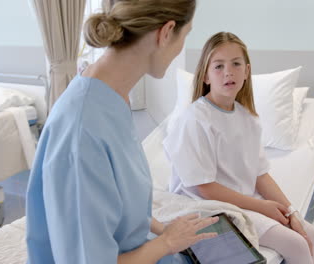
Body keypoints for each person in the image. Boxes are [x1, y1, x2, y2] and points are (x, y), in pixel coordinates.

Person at [25, 1, 219, 263]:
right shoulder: (82, 130)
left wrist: (168, 232)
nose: (182, 46)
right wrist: (167, 242)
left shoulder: (111, 97)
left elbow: (116, 202)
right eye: (186, 35)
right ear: (166, 32)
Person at [163, 32, 314, 264]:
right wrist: (262, 207)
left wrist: (291, 212)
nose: (228, 71)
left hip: (242, 201)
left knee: (312, 236)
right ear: (205, 75)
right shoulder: (195, 119)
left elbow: (260, 175)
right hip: (209, 206)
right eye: (218, 66)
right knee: (296, 244)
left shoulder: (248, 118)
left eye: (236, 64)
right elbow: (204, 188)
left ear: (246, 72)